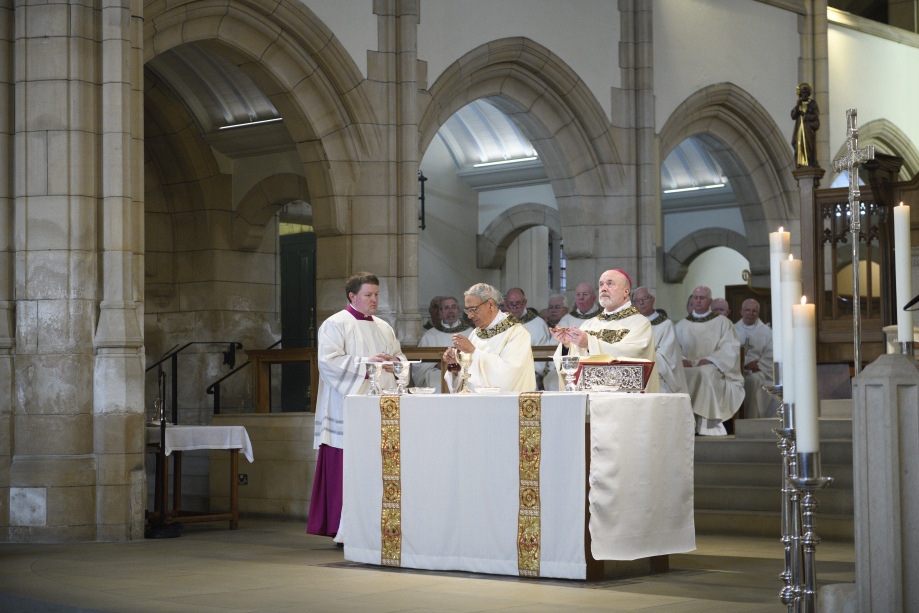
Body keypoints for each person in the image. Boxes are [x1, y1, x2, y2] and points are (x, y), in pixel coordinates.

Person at [308, 272, 407, 537]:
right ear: (352, 296)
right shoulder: (335, 324)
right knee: (346, 465)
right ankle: (343, 529)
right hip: (346, 406)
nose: (374, 300)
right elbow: (328, 362)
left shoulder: (383, 326)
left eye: (376, 294)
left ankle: (373, 527)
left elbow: (399, 357)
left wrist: (396, 365)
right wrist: (367, 364)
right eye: (368, 295)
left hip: (380, 405)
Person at [551, 270, 656, 390]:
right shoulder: (589, 324)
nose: (604, 288)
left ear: (626, 291)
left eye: (610, 284)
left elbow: (632, 355)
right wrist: (567, 345)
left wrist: (589, 343)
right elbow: (572, 368)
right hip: (588, 395)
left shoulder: (639, 323)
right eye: (601, 284)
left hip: (622, 396)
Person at [675, 286, 745, 436]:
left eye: (702, 298)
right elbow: (674, 347)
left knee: (705, 373)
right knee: (679, 376)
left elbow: (730, 347)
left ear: (710, 301)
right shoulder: (681, 325)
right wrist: (682, 359)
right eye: (695, 298)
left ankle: (708, 424)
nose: (698, 301)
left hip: (715, 367)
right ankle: (685, 424)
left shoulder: (723, 323)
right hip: (689, 366)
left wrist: (711, 359)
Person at [442, 283, 536, 392]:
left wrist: (473, 351)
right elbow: (467, 378)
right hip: (475, 401)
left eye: (473, 309)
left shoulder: (516, 333)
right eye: (468, 310)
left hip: (505, 401)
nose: (470, 316)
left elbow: (508, 376)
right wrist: (456, 367)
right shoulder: (476, 333)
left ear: (490, 304)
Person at [632, 286, 689, 394]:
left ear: (653, 299)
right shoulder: (632, 325)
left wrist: (643, 357)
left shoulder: (666, 325)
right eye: (637, 300)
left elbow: (667, 357)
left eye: (644, 298)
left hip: (658, 375)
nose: (641, 303)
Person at [734, 298, 780, 418]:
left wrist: (759, 365)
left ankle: (751, 417)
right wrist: (745, 363)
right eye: (747, 310)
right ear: (741, 312)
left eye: (754, 311)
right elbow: (728, 351)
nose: (751, 313)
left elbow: (771, 353)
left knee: (751, 380)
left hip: (757, 371)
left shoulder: (767, 332)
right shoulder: (732, 330)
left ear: (758, 314)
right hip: (735, 370)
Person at [416, 296, 470, 391]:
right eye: (446, 308)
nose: (450, 311)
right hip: (438, 374)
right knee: (435, 377)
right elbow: (419, 365)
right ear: (440, 312)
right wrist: (438, 365)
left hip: (463, 372)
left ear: (458, 310)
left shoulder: (469, 332)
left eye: (453, 307)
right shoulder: (429, 335)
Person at [504, 287, 553, 387]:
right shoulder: (500, 323)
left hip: (530, 376)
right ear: (506, 304)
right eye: (511, 304)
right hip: (504, 375)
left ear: (525, 302)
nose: (514, 307)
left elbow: (542, 357)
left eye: (518, 303)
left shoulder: (538, 324)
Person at [542, 294, 579, 391]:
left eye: (557, 307)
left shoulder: (569, 323)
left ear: (566, 310)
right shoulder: (542, 325)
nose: (553, 310)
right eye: (551, 307)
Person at [791, 82, 820, 168]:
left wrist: (805, 116)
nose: (804, 94)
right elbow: (793, 116)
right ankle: (800, 163)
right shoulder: (799, 104)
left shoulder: (812, 103)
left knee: (808, 146)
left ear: (808, 93)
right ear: (800, 93)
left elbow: (815, 115)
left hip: (808, 128)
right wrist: (797, 106)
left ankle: (810, 161)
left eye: (806, 92)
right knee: (799, 145)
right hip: (799, 128)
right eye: (803, 92)